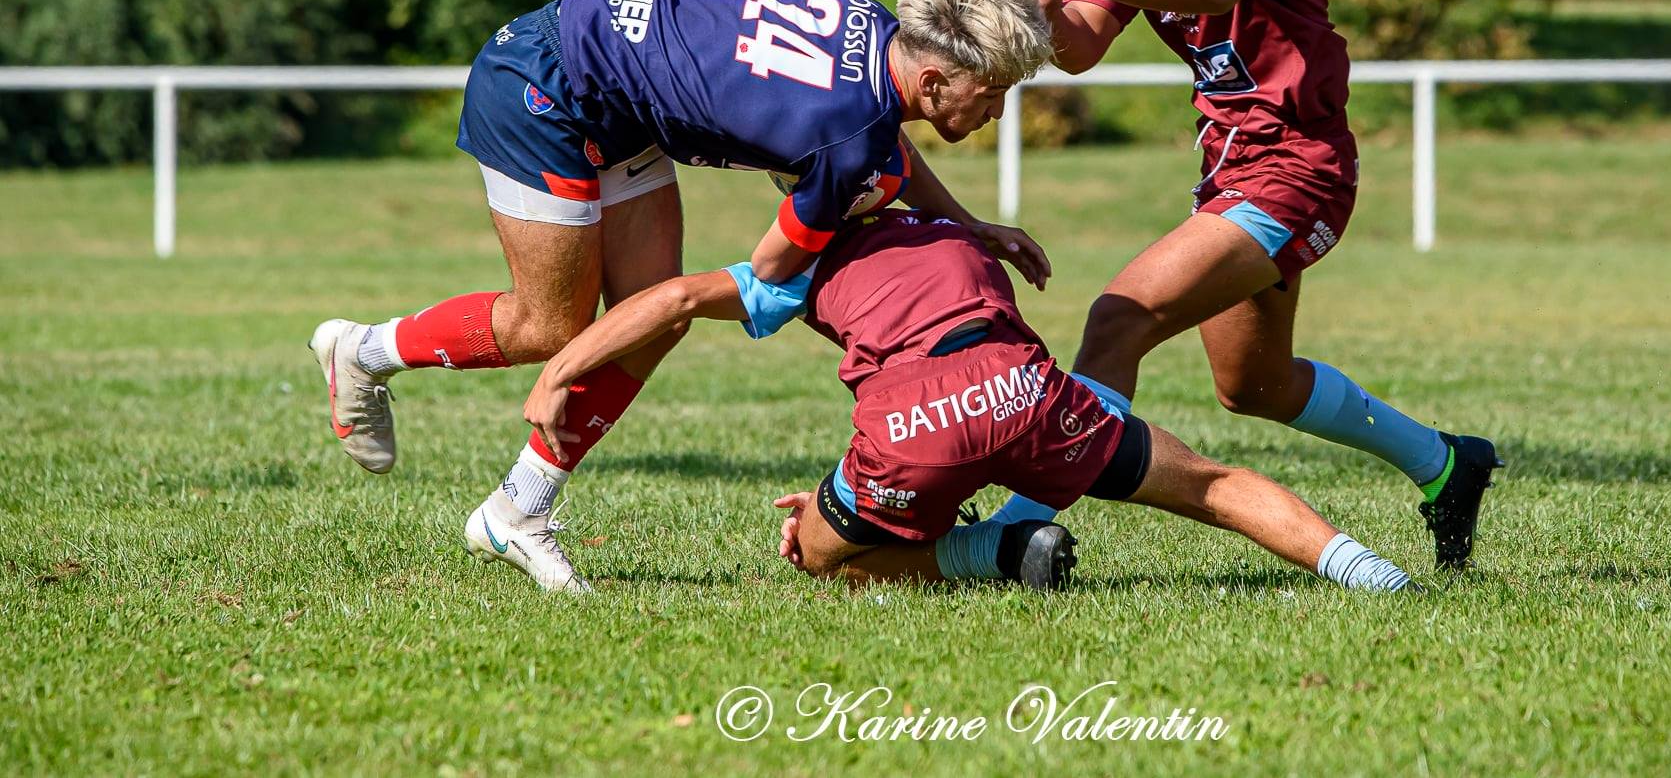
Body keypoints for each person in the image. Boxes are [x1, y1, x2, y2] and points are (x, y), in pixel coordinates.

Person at [306, 0, 1055, 592]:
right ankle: (362, 350)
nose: (993, 113)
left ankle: (515, 511)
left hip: (615, 97)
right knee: (549, 329)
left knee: (652, 322)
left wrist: (970, 226)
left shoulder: (875, 28)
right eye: (992, 95)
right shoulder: (849, 134)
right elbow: (772, 264)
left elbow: (875, 143)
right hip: (544, 85)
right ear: (934, 79)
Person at [1008, 0, 1500, 569]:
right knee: (1254, 386)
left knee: (1117, 320)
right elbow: (1083, 44)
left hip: (1298, 165)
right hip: (1230, 164)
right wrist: (1048, 10)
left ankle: (1017, 527)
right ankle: (1446, 463)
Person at [521, 208, 1419, 595]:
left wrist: (563, 367)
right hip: (1030, 391)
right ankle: (1371, 573)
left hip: (913, 428)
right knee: (1212, 485)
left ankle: (993, 551)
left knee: (822, 556)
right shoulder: (952, 223)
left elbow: (672, 299)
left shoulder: (800, 261)